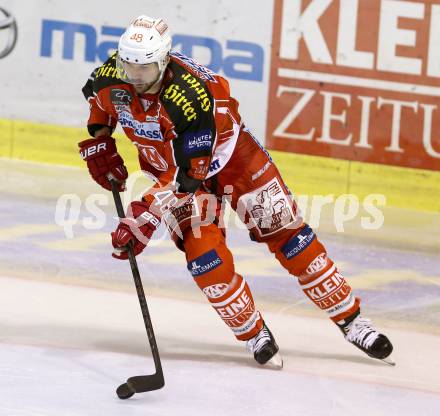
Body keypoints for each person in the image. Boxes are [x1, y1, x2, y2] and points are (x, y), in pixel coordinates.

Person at [79, 15, 394, 368]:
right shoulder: (114, 76)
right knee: (205, 260)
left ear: (164, 61)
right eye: (129, 67)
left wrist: (148, 213)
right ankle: (253, 333)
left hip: (232, 162)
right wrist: (100, 141)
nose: (136, 78)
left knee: (290, 238)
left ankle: (352, 321)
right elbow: (98, 101)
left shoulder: (188, 96)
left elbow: (189, 176)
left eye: (146, 70)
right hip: (172, 170)